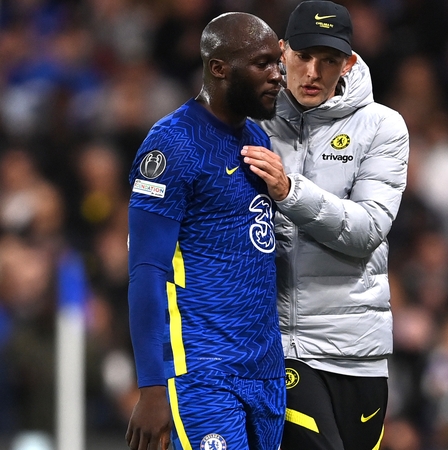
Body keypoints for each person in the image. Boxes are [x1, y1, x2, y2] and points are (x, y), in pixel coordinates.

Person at [241, 1, 410, 449]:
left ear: (348, 63)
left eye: (329, 60)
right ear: (282, 52)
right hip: (280, 345)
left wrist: (288, 191)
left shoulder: (382, 127)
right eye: (302, 56)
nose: (313, 71)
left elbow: (368, 230)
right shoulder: (247, 120)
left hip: (360, 354)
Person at [125, 12, 286, 450]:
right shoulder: (172, 144)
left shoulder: (259, 139)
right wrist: (153, 385)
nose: (278, 76)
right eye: (262, 64)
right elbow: (145, 269)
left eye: (278, 63)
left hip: (265, 372)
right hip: (201, 371)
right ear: (218, 68)